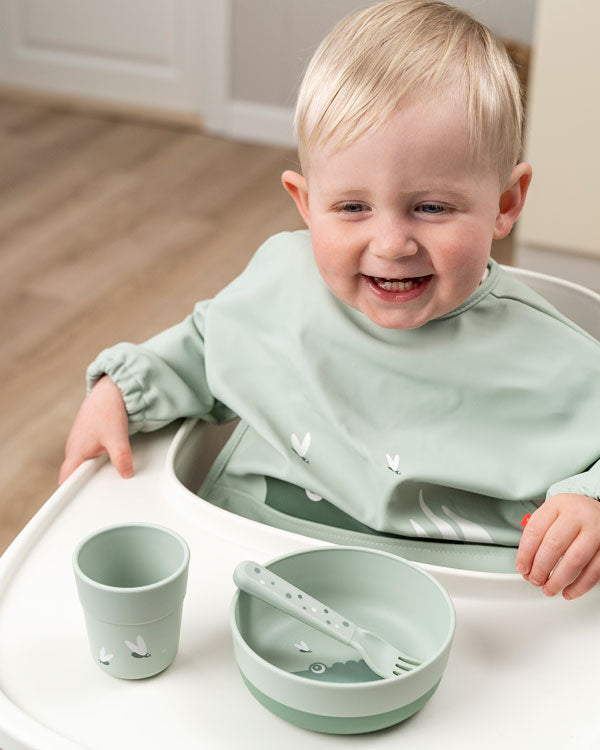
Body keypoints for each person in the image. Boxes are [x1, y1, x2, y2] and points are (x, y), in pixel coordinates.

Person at [59, 0, 600, 599]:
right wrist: (120, 393)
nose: (391, 244)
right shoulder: (282, 283)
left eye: (432, 207)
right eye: (351, 207)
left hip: (466, 605)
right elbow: (208, 343)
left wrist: (589, 502)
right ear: (305, 202)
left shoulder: (549, 355)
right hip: (248, 564)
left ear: (505, 203)